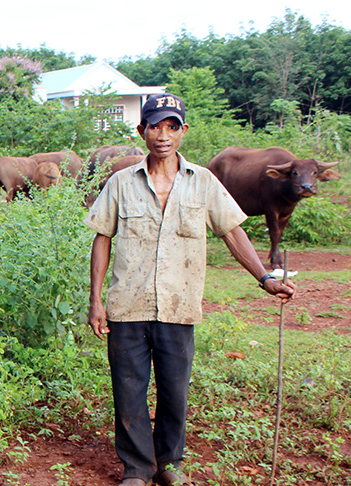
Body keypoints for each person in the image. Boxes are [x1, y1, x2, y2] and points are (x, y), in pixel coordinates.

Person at [84, 93, 296, 486]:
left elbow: (232, 231)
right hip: (127, 305)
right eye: (155, 126)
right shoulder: (120, 182)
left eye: (172, 126)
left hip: (178, 306)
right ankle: (136, 468)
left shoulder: (203, 182)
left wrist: (264, 278)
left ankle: (169, 465)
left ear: (183, 131)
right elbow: (102, 238)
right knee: (128, 389)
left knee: (174, 390)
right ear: (141, 130)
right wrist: (95, 301)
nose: (163, 135)